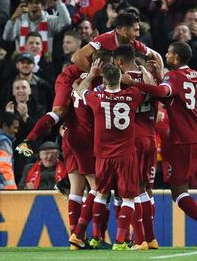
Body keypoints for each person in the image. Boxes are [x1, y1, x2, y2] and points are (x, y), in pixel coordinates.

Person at [121, 41, 197, 250]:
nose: (166, 55)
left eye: (169, 53)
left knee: (178, 193)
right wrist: (159, 74)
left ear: (177, 58)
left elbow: (163, 93)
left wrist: (134, 83)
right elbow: (175, 92)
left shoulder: (173, 77)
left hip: (184, 141)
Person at [69, 62, 144, 251]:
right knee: (128, 198)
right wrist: (136, 77)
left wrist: (91, 74)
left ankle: (95, 236)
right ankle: (120, 241)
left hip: (102, 155)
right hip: (126, 155)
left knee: (100, 195)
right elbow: (147, 89)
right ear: (120, 78)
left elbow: (79, 90)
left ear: (103, 80)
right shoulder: (133, 95)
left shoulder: (95, 97)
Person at [15, 50, 111, 157]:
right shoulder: (105, 40)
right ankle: (29, 140)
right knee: (59, 111)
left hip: (90, 78)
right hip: (72, 77)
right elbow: (75, 58)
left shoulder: (113, 69)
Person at [113, 45, 158, 249]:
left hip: (131, 137)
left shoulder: (121, 79)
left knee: (132, 191)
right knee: (147, 189)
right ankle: (151, 238)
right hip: (150, 135)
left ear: (120, 61)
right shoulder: (147, 76)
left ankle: (140, 240)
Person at [72, 12, 163, 72]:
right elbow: (76, 58)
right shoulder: (104, 40)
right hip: (75, 76)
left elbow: (156, 55)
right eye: (135, 30)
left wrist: (160, 75)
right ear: (123, 30)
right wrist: (97, 75)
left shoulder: (131, 43)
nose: (138, 34)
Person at [2, 0, 71, 55]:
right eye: (31, 3)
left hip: (44, 61)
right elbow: (7, 37)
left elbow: (66, 22)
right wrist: (13, 18)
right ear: (27, 6)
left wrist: (57, 0)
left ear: (43, 7)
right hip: (23, 61)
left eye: (37, 3)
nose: (34, 5)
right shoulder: (19, 21)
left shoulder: (49, 20)